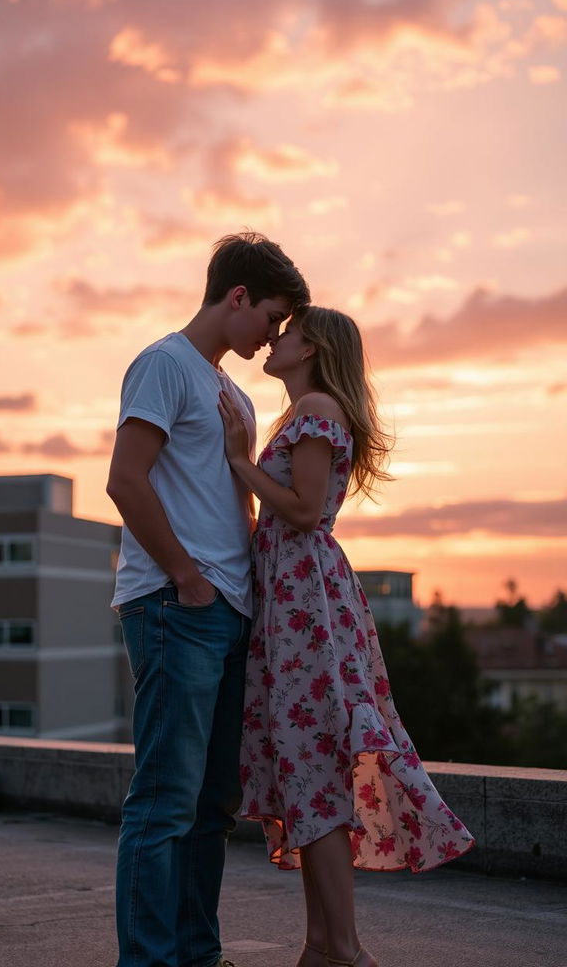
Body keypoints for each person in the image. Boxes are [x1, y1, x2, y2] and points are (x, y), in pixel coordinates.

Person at [218, 305, 475, 967]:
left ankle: (346, 950)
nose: (276, 340)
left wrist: (239, 463)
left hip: (307, 603)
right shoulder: (308, 411)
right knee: (304, 773)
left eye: (289, 331)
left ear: (314, 348)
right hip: (294, 602)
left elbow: (304, 509)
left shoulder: (320, 409)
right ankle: (322, 947)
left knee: (316, 769)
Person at [106, 231, 310, 967]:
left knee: (211, 807)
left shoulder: (232, 394)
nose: (272, 338)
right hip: (174, 607)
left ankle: (196, 953)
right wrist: (187, 578)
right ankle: (150, 960)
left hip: (230, 616)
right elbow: (126, 481)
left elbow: (237, 505)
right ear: (236, 298)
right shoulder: (164, 365)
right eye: (271, 318)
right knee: (164, 801)